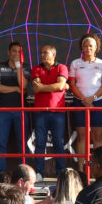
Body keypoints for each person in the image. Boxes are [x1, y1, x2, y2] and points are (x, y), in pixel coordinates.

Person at [69, 34, 102, 169]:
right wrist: (84, 99)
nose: (88, 48)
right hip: (79, 102)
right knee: (82, 136)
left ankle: (99, 168)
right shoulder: (75, 63)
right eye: (85, 45)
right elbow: (72, 85)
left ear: (96, 47)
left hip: (97, 102)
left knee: (97, 137)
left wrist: (92, 99)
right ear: (81, 47)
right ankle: (81, 168)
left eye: (91, 45)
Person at [31, 44, 69, 175]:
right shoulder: (36, 68)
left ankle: (61, 173)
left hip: (57, 112)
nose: (42, 55)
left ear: (54, 54)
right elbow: (36, 88)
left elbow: (60, 86)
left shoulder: (61, 67)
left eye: (45, 52)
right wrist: (60, 86)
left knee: (58, 142)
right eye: (41, 52)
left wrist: (44, 87)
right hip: (40, 112)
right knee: (40, 143)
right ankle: (39, 173)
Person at [0, 42, 29, 176]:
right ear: (8, 52)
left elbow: (23, 86)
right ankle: (0, 172)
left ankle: (23, 172)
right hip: (3, 109)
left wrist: (18, 65)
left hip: (20, 110)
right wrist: (14, 89)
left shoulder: (25, 67)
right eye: (14, 51)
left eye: (19, 52)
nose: (16, 54)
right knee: (1, 142)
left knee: (22, 142)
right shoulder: (0, 66)